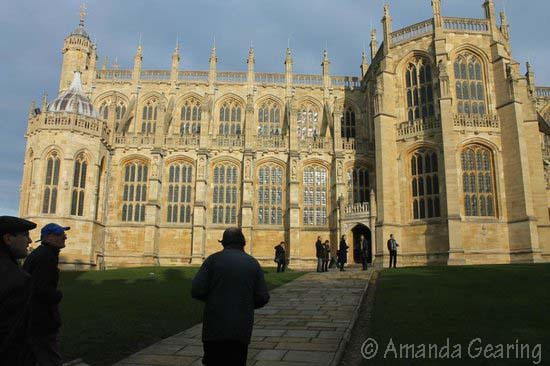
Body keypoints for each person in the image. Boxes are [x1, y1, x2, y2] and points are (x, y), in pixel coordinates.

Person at [191, 228, 270, 366]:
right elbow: (263, 296)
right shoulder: (252, 263)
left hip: (214, 327)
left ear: (224, 243)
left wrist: (213, 300)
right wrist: (246, 304)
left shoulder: (212, 260)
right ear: (243, 243)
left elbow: (196, 290)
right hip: (240, 329)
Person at [24, 223, 69, 366]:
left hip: (35, 318)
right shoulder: (46, 257)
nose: (65, 237)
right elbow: (41, 290)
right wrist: (58, 295)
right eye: (60, 234)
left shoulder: (43, 254)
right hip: (41, 320)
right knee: (50, 357)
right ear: (49, 237)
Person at [0, 216, 36, 366]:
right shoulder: (16, 278)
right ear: (8, 239)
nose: (30, 241)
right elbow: (14, 333)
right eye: (25, 235)